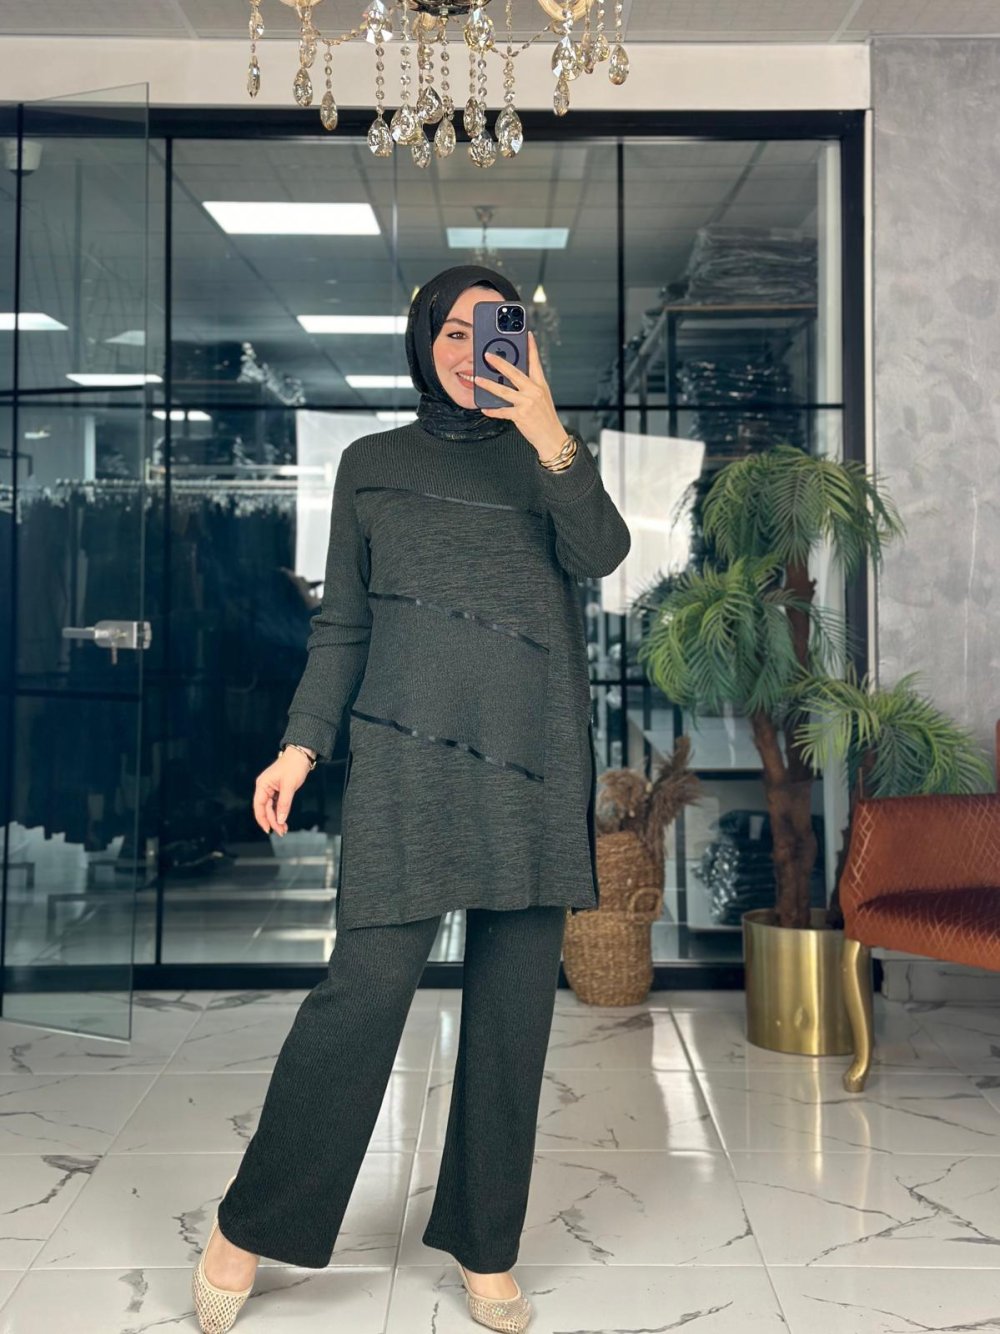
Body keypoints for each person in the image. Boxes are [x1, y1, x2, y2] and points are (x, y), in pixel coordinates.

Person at [191, 264, 631, 1334]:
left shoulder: (550, 456)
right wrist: (300, 744)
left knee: (513, 1018)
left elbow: (605, 554)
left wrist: (547, 430)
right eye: (451, 331)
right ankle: (249, 1222)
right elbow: (343, 624)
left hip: (531, 762)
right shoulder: (371, 463)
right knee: (361, 995)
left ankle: (487, 1246)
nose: (468, 349)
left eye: (491, 328)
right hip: (405, 762)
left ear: (522, 342)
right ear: (422, 343)